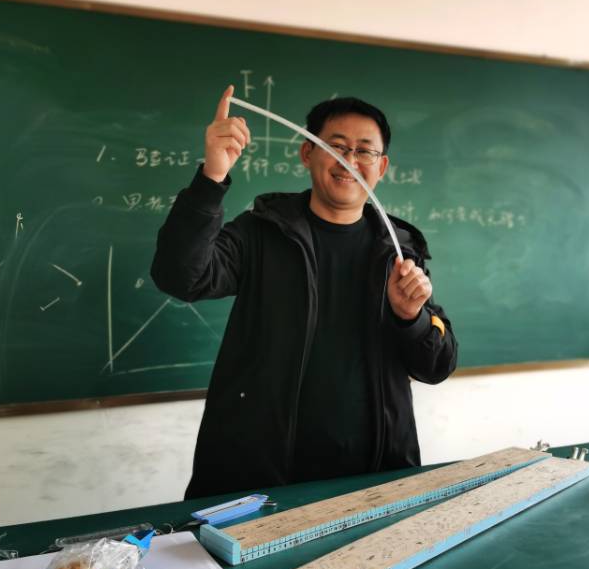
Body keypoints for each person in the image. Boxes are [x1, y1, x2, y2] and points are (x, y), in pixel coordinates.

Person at [151, 85, 458, 499]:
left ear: (381, 166)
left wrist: (411, 317)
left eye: (364, 151)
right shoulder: (261, 231)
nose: (349, 161)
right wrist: (212, 178)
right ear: (307, 153)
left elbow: (437, 366)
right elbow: (180, 276)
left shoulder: (398, 249)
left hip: (373, 478)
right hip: (258, 475)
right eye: (336, 146)